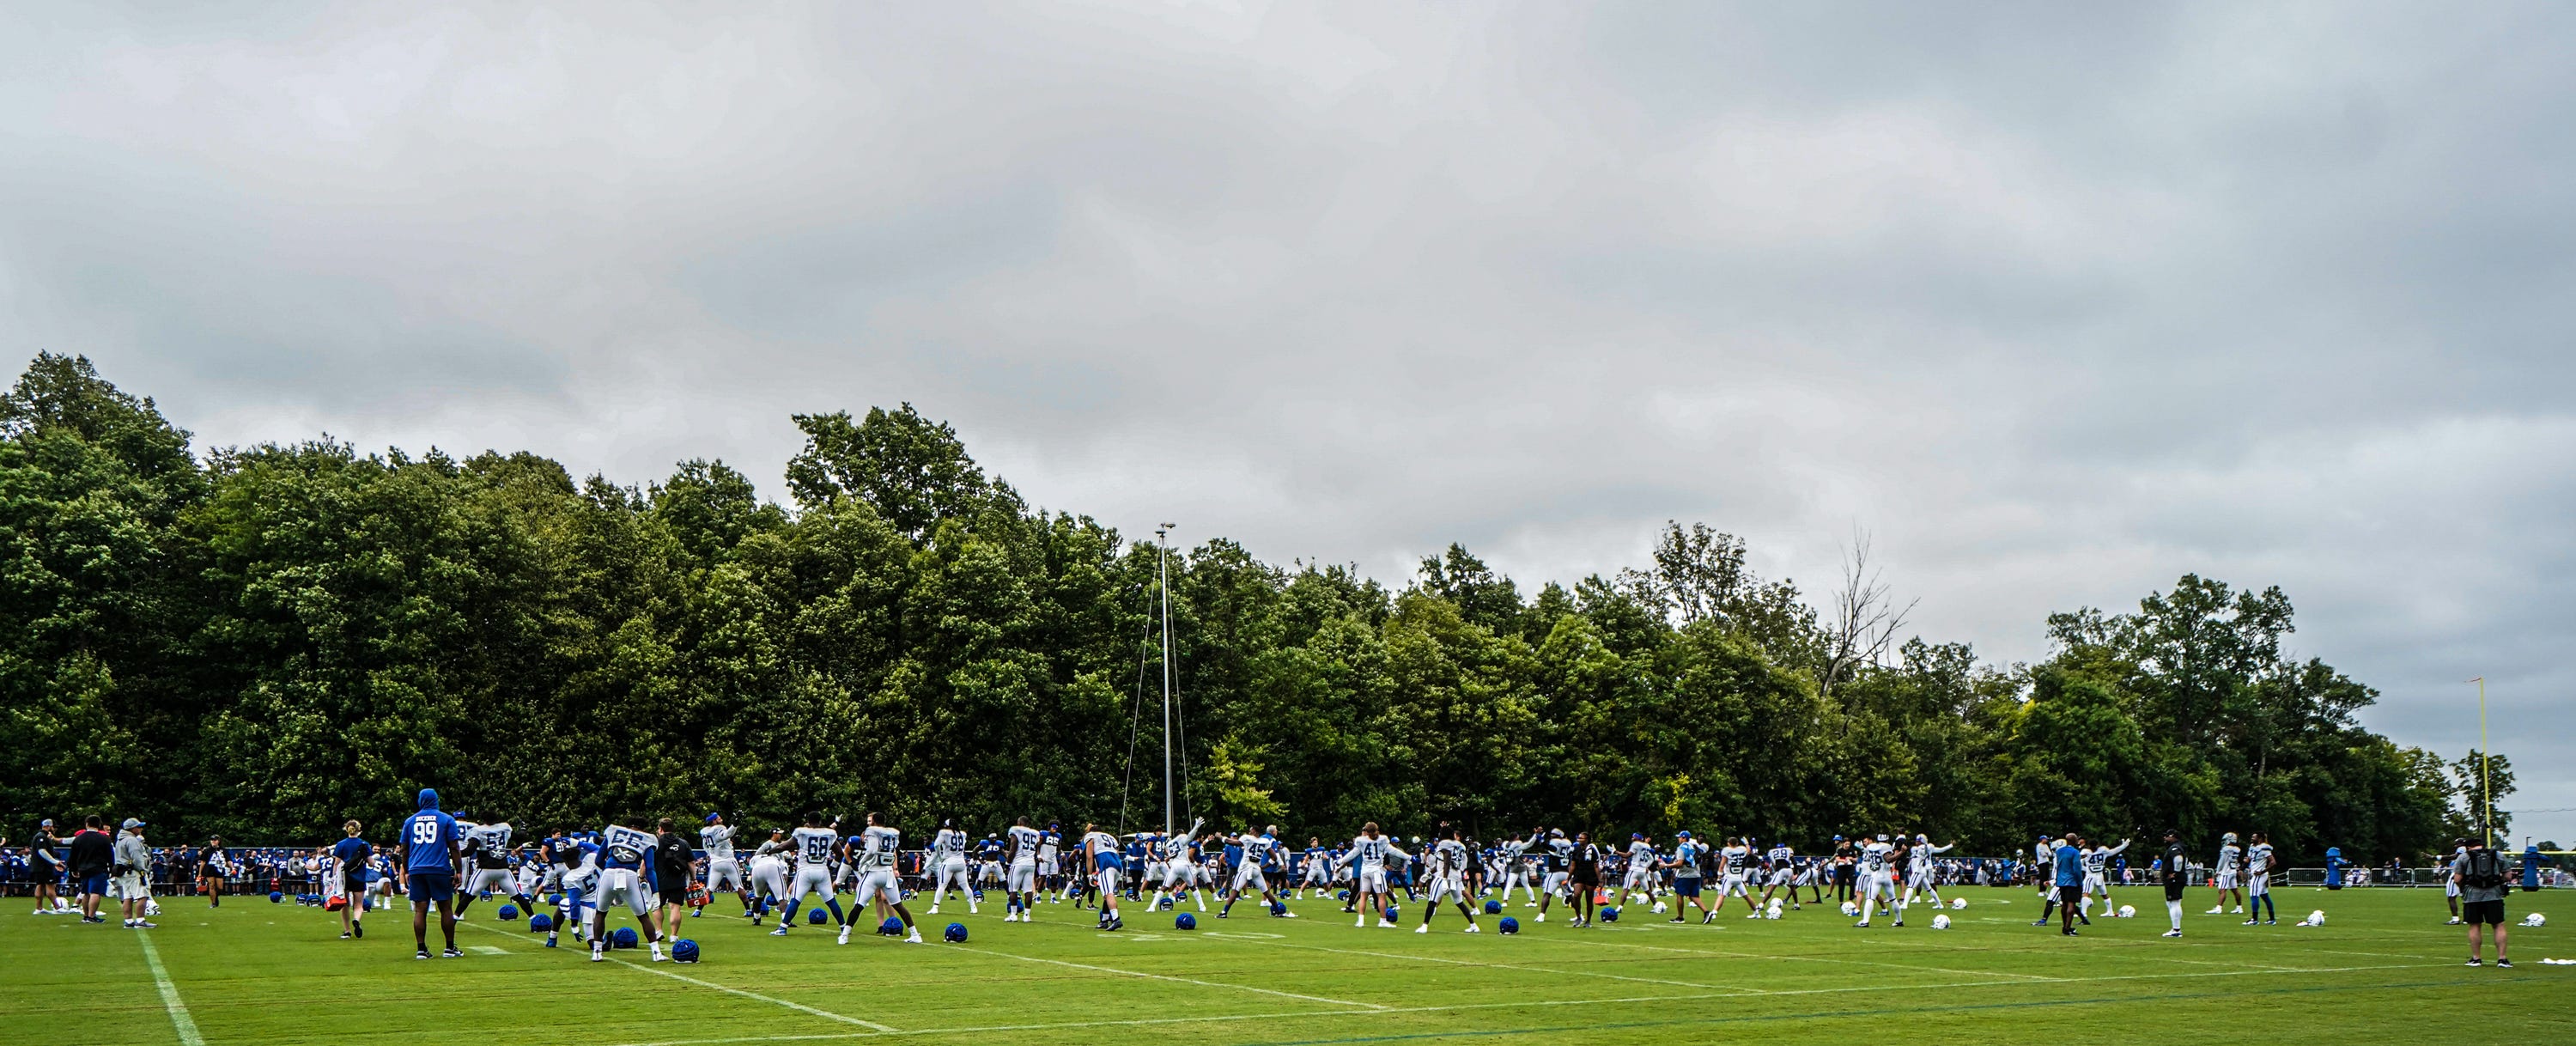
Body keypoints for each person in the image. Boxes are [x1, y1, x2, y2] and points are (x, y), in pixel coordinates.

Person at [398, 788, 465, 959]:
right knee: (446, 908)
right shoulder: (447, 819)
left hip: (417, 869)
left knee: (420, 910)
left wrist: (406, 870)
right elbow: (454, 847)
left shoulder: (410, 821)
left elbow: (404, 849)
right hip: (439, 868)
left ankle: (421, 949)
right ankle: (449, 948)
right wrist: (459, 871)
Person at [844, 812, 920, 945]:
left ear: (874, 821)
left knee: (859, 905)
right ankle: (915, 934)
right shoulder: (892, 833)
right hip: (887, 873)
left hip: (873, 872)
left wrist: (862, 863)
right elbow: (893, 849)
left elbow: (872, 850)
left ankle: (844, 935)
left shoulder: (872, 831)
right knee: (898, 905)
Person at [773, 813, 847, 936]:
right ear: (820, 821)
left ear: (808, 821)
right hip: (822, 870)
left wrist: (770, 851)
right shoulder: (828, 833)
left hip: (805, 870)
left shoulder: (802, 832)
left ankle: (783, 928)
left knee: (795, 900)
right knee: (831, 901)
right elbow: (840, 854)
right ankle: (844, 928)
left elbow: (784, 846)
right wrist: (832, 867)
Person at [2452, 837, 2512, 967]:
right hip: (2494, 895)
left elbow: (2457, 879)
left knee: (2475, 925)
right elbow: (2508, 876)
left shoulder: (2464, 857)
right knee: (2498, 925)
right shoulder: (2497, 854)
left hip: (2472, 896)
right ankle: (2502, 959)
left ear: (2468, 847)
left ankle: (2476, 958)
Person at [1415, 824, 1479, 933]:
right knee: (1459, 902)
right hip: (1456, 876)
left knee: (1432, 901)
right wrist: (1429, 873)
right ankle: (1474, 925)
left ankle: (1424, 925)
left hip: (1444, 876)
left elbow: (1447, 859)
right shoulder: (1461, 845)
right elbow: (1444, 863)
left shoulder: (1444, 845)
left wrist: (1444, 879)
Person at [698, 813, 747, 918]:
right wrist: (736, 822)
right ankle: (748, 910)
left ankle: (698, 910)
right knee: (739, 886)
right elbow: (727, 834)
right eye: (719, 819)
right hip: (728, 861)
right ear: (714, 821)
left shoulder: (705, 832)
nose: (722, 820)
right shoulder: (718, 829)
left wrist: (713, 855)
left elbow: (707, 846)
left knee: (710, 888)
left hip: (715, 862)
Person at [329, 821, 372, 939]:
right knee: (358, 905)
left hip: (344, 877)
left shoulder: (341, 844)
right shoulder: (364, 844)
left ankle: (347, 931)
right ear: (359, 829)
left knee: (345, 904)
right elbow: (371, 863)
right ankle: (356, 920)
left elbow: (336, 863)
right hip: (359, 877)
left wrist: (333, 878)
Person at [655, 818, 694, 945]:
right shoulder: (683, 843)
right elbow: (691, 863)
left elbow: (646, 862)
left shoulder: (655, 843)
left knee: (657, 906)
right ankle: (674, 935)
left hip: (659, 880)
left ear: (661, 829)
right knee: (675, 907)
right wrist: (693, 879)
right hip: (678, 880)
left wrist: (642, 876)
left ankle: (659, 930)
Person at [1080, 822, 1125, 930]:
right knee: (1107, 894)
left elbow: (1089, 857)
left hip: (1106, 864)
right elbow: (1117, 853)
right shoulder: (1110, 837)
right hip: (1118, 865)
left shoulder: (1090, 836)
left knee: (1108, 893)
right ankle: (1104, 920)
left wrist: (1090, 875)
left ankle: (1116, 919)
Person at [113, 818, 155, 928]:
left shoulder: (120, 839)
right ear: (132, 828)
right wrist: (142, 869)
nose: (140, 829)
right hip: (133, 871)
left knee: (128, 896)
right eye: (138, 827)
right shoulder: (132, 840)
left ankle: (128, 921)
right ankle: (141, 920)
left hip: (123, 871)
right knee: (142, 895)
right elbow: (137, 857)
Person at [1003, 817, 1045, 922]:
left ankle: (1013, 915)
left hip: (1018, 863)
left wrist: (1008, 862)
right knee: (1028, 890)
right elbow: (1036, 847)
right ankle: (1027, 916)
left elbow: (1013, 847)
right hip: (1030, 863)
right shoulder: (1035, 833)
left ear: (1019, 822)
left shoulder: (1015, 830)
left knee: (1013, 889)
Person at [29, 819, 70, 915]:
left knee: (40, 885)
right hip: (44, 866)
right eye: (53, 827)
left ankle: (39, 908)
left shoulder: (40, 836)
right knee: (50, 886)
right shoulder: (42, 836)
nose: (54, 829)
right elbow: (42, 851)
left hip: (38, 866)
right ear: (48, 826)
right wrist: (55, 862)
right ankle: (57, 907)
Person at [2050, 835, 2085, 935]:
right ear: (2075, 841)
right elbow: (2076, 869)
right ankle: (2067, 928)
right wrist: (2080, 881)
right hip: (2072, 881)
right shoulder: (2075, 852)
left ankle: (2065, 926)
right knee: (2071, 904)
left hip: (2061, 880)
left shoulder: (2059, 851)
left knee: (2064, 904)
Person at [1566, 831, 1603, 928]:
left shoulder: (1592, 850)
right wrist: (1568, 878)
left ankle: (1588, 920)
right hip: (1579, 875)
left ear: (1586, 840)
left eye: (1581, 838)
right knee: (1576, 895)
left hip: (1590, 876)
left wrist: (1600, 880)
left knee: (1589, 899)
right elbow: (1573, 865)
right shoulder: (1576, 849)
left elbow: (1596, 866)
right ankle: (1579, 917)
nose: (1579, 839)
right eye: (1579, 838)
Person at [2158, 829, 2189, 937]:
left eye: (2167, 836)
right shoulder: (2180, 846)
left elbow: (2179, 859)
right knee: (2175, 903)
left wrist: (2175, 872)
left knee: (2173, 903)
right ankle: (2176, 928)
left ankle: (2176, 930)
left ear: (2172, 836)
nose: (2165, 838)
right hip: (2180, 878)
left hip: (2175, 879)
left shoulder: (2175, 848)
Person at [2242, 831, 2277, 926]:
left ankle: (2255, 919)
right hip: (2257, 874)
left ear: (2260, 838)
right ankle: (2272, 919)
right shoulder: (2253, 847)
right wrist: (2242, 867)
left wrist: (2262, 871)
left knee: (2254, 896)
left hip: (2259, 875)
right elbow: (2249, 859)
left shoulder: (2264, 848)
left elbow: (2273, 862)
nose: (2252, 838)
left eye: (2254, 837)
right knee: (2265, 896)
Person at [2207, 832, 2245, 915]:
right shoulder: (2237, 849)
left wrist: (2218, 871)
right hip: (2233, 871)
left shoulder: (2226, 849)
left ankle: (2218, 908)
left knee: (2222, 890)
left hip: (2226, 872)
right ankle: (2239, 908)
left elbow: (2222, 861)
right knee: (2235, 890)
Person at [196, 836, 231, 907]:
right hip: (209, 870)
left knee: (220, 888)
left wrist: (232, 868)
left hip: (219, 869)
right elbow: (203, 862)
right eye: (212, 840)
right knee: (211, 886)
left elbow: (228, 860)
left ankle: (216, 896)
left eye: (215, 840)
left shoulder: (223, 850)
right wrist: (200, 873)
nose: (213, 841)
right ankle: (213, 903)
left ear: (218, 841)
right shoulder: (207, 850)